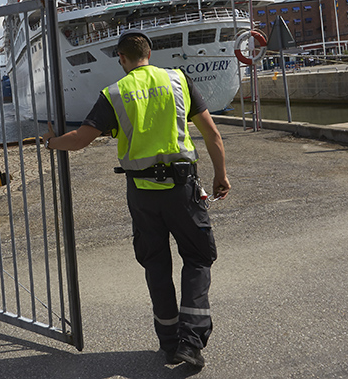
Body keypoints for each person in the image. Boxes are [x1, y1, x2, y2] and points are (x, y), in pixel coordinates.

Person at [42, 29, 230, 368]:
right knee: (198, 258)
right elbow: (212, 134)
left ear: (122, 59)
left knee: (155, 263)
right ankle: (191, 342)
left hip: (142, 194)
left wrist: (51, 142)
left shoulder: (115, 92)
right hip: (182, 189)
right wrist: (221, 175)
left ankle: (170, 341)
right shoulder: (177, 80)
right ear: (149, 53)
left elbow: (81, 139)